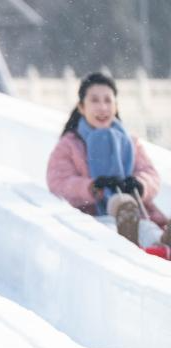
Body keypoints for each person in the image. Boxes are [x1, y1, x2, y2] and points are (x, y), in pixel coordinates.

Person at [47, 73, 170, 256]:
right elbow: (58, 181)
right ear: (81, 107)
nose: (103, 107)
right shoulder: (70, 145)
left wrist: (139, 184)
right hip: (94, 215)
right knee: (110, 227)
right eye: (95, 100)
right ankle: (133, 244)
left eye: (108, 100)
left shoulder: (129, 142)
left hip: (138, 213)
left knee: (147, 228)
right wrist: (92, 187)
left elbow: (150, 174)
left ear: (116, 106)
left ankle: (161, 245)